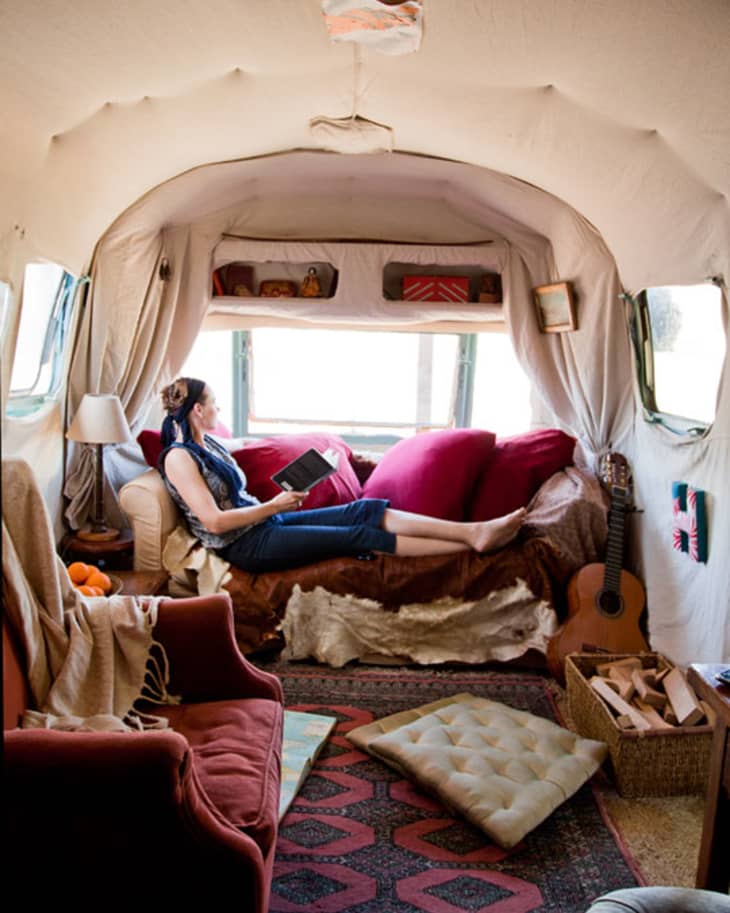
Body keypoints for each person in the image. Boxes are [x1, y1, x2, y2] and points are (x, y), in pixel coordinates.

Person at [158, 377, 526, 574]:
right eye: (214, 403)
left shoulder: (213, 445)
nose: (219, 408)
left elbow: (238, 494)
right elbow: (216, 522)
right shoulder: (179, 458)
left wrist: (311, 474)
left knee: (363, 510)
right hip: (246, 545)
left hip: (266, 523)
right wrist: (272, 507)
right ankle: (472, 549)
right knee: (358, 535)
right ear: (197, 411)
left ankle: (474, 532)